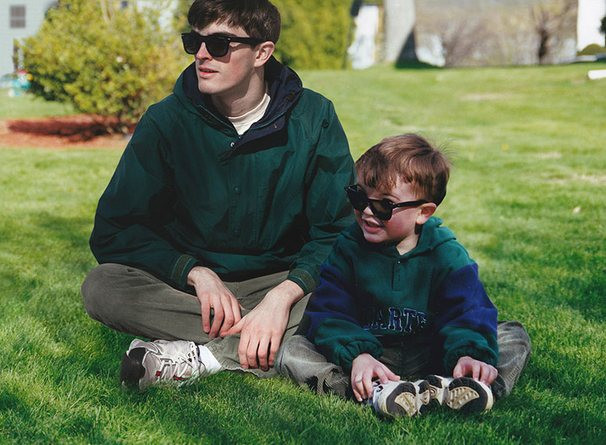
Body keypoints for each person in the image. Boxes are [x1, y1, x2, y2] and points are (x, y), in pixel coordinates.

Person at [80, 0, 356, 390]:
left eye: (220, 44)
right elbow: (115, 229)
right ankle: (274, 343)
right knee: (101, 287)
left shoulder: (314, 117)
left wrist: (282, 296)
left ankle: (203, 357)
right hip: (190, 293)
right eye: (194, 42)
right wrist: (193, 271)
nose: (202, 55)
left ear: (262, 53)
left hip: (281, 281)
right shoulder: (166, 121)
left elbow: (339, 230)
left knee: (360, 284)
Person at [275, 134, 531, 418]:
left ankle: (469, 384)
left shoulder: (446, 254)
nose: (367, 211)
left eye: (384, 205)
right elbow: (331, 312)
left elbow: (467, 310)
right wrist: (358, 355)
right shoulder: (347, 249)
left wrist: (468, 353)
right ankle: (375, 392)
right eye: (359, 197)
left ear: (423, 212)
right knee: (294, 349)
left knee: (512, 334)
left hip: (432, 352)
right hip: (372, 353)